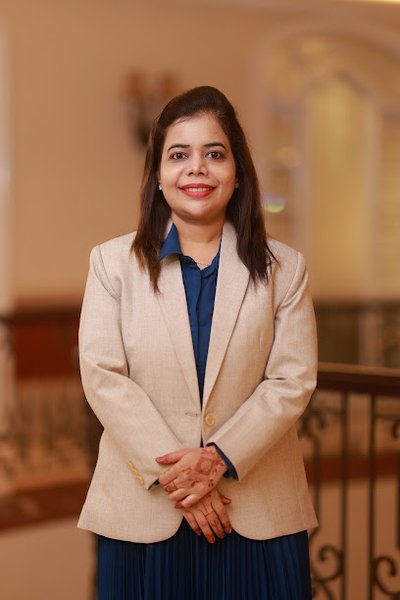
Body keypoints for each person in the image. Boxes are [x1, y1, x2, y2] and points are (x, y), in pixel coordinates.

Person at [78, 85, 318, 599]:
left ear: (238, 171)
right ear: (157, 174)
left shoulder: (285, 268)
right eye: (178, 155)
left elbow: (291, 380)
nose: (196, 169)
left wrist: (218, 459)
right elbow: (103, 377)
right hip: (143, 514)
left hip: (259, 512)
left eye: (214, 154)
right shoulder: (110, 264)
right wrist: (182, 477)